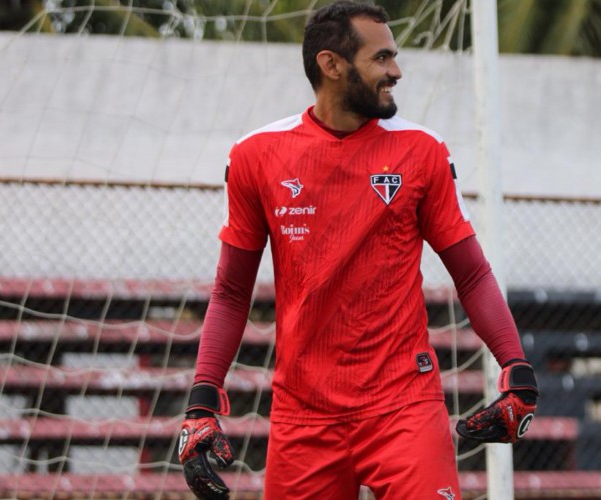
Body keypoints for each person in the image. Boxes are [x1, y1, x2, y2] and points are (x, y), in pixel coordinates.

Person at [177, 1, 539, 499]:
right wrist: (201, 404)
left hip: (404, 405)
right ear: (332, 65)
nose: (397, 71)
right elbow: (232, 290)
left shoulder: (422, 150)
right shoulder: (256, 156)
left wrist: (514, 367)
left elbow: (472, 274)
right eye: (381, 58)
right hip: (302, 416)